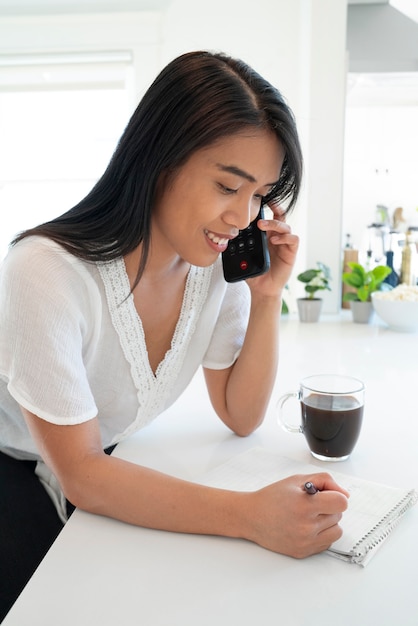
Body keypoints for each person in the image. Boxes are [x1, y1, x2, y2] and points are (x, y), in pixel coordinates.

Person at [0, 50, 348, 620]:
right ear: (159, 160)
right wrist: (251, 516)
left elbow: (240, 414)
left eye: (259, 194)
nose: (243, 217)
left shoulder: (213, 265)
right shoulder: (45, 272)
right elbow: (84, 474)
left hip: (103, 456)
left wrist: (266, 296)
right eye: (227, 185)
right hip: (17, 460)